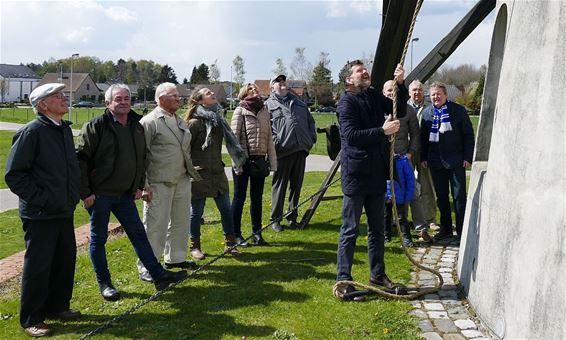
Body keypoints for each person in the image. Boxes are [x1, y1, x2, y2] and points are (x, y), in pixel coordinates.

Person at [76, 84, 187, 302]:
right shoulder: (95, 127)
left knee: (138, 235)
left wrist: (139, 186)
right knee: (98, 240)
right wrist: (86, 192)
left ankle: (158, 275)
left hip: (125, 195)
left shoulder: (136, 126)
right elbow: (80, 160)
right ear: (107, 103)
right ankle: (105, 284)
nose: (124, 102)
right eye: (119, 99)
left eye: (127, 98)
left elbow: (141, 158)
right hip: (100, 195)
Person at [5, 84, 81, 337]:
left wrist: (70, 199)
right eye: (57, 96)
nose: (64, 98)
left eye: (63, 94)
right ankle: (31, 319)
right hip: (41, 213)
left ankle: (57, 306)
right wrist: (43, 199)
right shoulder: (32, 132)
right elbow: (15, 175)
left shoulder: (64, 130)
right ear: (43, 105)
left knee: (64, 260)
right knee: (38, 266)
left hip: (62, 210)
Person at [335, 60, 408, 296]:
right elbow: (351, 136)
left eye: (365, 69)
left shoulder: (373, 95)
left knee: (376, 230)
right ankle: (343, 278)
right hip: (356, 175)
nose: (365, 72)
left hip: (376, 174)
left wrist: (400, 84)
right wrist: (382, 131)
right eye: (359, 71)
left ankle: (377, 274)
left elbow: (400, 109)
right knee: (350, 229)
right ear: (349, 80)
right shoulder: (346, 102)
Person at [136, 83, 202, 281]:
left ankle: (175, 258)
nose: (178, 98)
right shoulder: (149, 122)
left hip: (181, 179)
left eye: (178, 95)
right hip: (158, 182)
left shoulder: (179, 120)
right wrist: (144, 185)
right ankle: (148, 266)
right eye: (173, 96)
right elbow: (140, 156)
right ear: (160, 98)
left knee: (180, 222)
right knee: (155, 225)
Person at [184, 87, 247, 260]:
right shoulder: (194, 123)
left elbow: (230, 143)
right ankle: (195, 246)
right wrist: (189, 170)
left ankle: (230, 244)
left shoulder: (218, 121)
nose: (212, 93)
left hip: (217, 173)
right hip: (199, 175)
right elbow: (185, 150)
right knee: (196, 212)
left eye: (212, 92)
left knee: (226, 209)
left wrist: (237, 161)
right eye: (208, 93)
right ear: (200, 101)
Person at [420, 81, 475, 242]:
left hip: (456, 160)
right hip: (436, 162)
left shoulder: (458, 111)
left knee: (459, 196)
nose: (435, 97)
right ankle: (446, 229)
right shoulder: (427, 113)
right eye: (432, 95)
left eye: (438, 94)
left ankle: (461, 229)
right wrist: (424, 157)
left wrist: (467, 157)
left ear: (445, 95)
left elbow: (468, 135)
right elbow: (424, 138)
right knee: (442, 196)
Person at [265, 74, 317, 231]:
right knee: (279, 187)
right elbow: (266, 129)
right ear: (271, 87)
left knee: (296, 186)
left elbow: (310, 122)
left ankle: (292, 217)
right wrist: (276, 143)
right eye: (278, 82)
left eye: (283, 81)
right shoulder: (267, 105)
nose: (282, 84)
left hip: (300, 150)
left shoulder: (299, 103)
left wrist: (311, 138)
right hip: (282, 152)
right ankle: (275, 219)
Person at [382, 80, 432, 244]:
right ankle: (385, 231)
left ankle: (420, 228)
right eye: (388, 90)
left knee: (411, 194)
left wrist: (410, 153)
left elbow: (415, 135)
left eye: (393, 90)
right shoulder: (377, 109)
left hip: (403, 158)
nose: (391, 93)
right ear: (384, 92)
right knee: (384, 197)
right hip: (383, 159)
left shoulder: (407, 110)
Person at [230, 83, 277, 246]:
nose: (254, 90)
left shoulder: (264, 111)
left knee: (257, 199)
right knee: (239, 198)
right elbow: (233, 140)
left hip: (259, 162)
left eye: (256, 88)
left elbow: (269, 138)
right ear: (244, 93)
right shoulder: (240, 110)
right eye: (250, 89)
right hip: (243, 162)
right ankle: (235, 234)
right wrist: (237, 164)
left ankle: (257, 234)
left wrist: (272, 163)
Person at [408, 80, 438, 230]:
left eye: (419, 90)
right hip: (407, 151)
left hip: (424, 150)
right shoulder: (404, 107)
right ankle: (400, 219)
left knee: (426, 185)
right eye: (414, 90)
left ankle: (430, 218)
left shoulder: (429, 107)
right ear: (409, 93)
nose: (417, 93)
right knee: (405, 184)